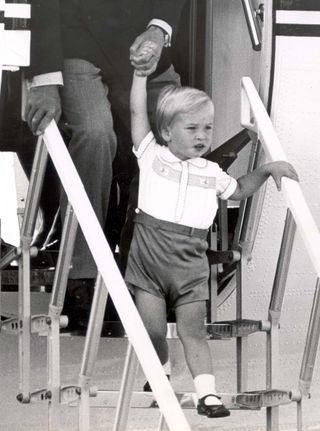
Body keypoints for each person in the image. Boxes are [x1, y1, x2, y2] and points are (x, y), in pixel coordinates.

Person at [125, 63, 299, 418]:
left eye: (207, 127)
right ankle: (159, 379)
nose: (202, 136)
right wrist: (140, 76)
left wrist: (266, 170)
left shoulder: (212, 172)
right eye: (191, 128)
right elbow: (136, 111)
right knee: (152, 329)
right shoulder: (151, 155)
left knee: (193, 331)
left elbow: (239, 191)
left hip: (190, 261)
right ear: (166, 132)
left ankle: (208, 396)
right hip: (149, 257)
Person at [23, 0, 186, 326]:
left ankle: (155, 275)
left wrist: (159, 29)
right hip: (76, 43)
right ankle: (80, 276)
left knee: (181, 131)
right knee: (95, 135)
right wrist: (44, 80)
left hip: (142, 42)